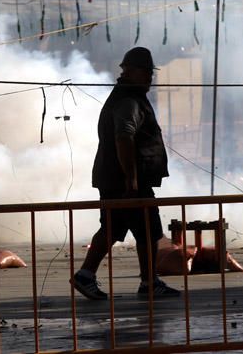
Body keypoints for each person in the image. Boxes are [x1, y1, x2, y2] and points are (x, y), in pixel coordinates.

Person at [72, 47, 180, 300]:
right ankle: (149, 282)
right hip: (129, 180)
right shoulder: (129, 100)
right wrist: (131, 177)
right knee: (148, 229)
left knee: (111, 228)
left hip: (116, 178)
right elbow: (124, 137)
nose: (150, 78)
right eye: (147, 72)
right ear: (134, 71)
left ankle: (86, 275)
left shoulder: (126, 96)